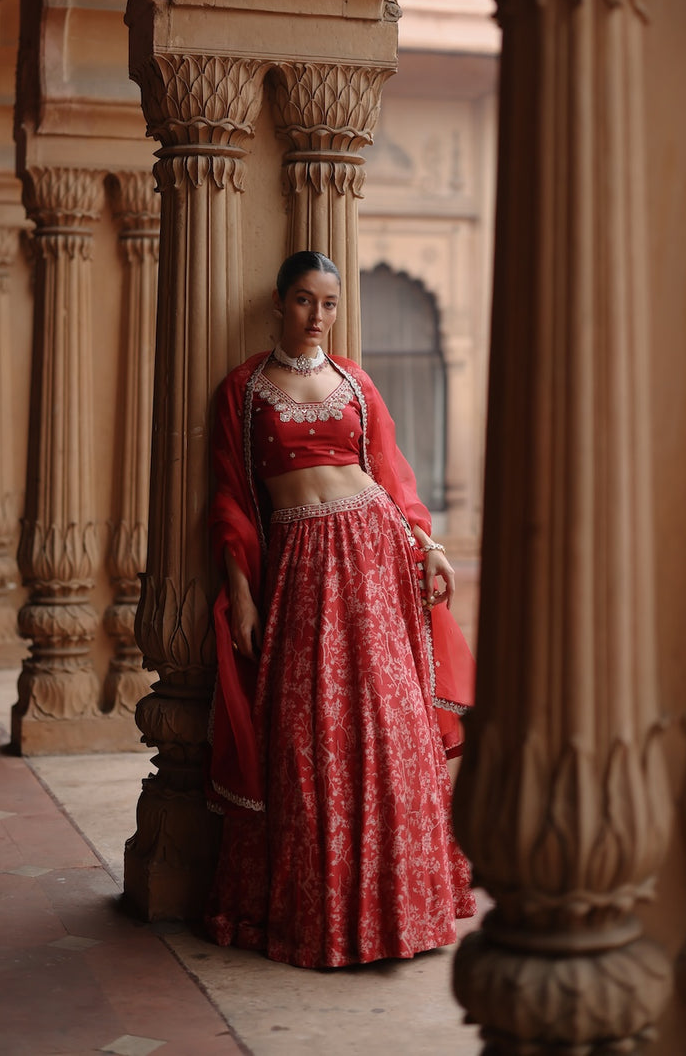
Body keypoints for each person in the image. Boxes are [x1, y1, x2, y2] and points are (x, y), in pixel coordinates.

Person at [205, 250, 476, 969]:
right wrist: (239, 588)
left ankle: (403, 907)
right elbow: (233, 496)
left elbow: (389, 472)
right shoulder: (245, 389)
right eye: (303, 300)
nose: (317, 316)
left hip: (375, 553)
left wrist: (429, 545)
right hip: (299, 568)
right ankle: (327, 914)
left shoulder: (355, 380)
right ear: (278, 302)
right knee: (308, 724)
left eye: (327, 303)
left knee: (392, 721)